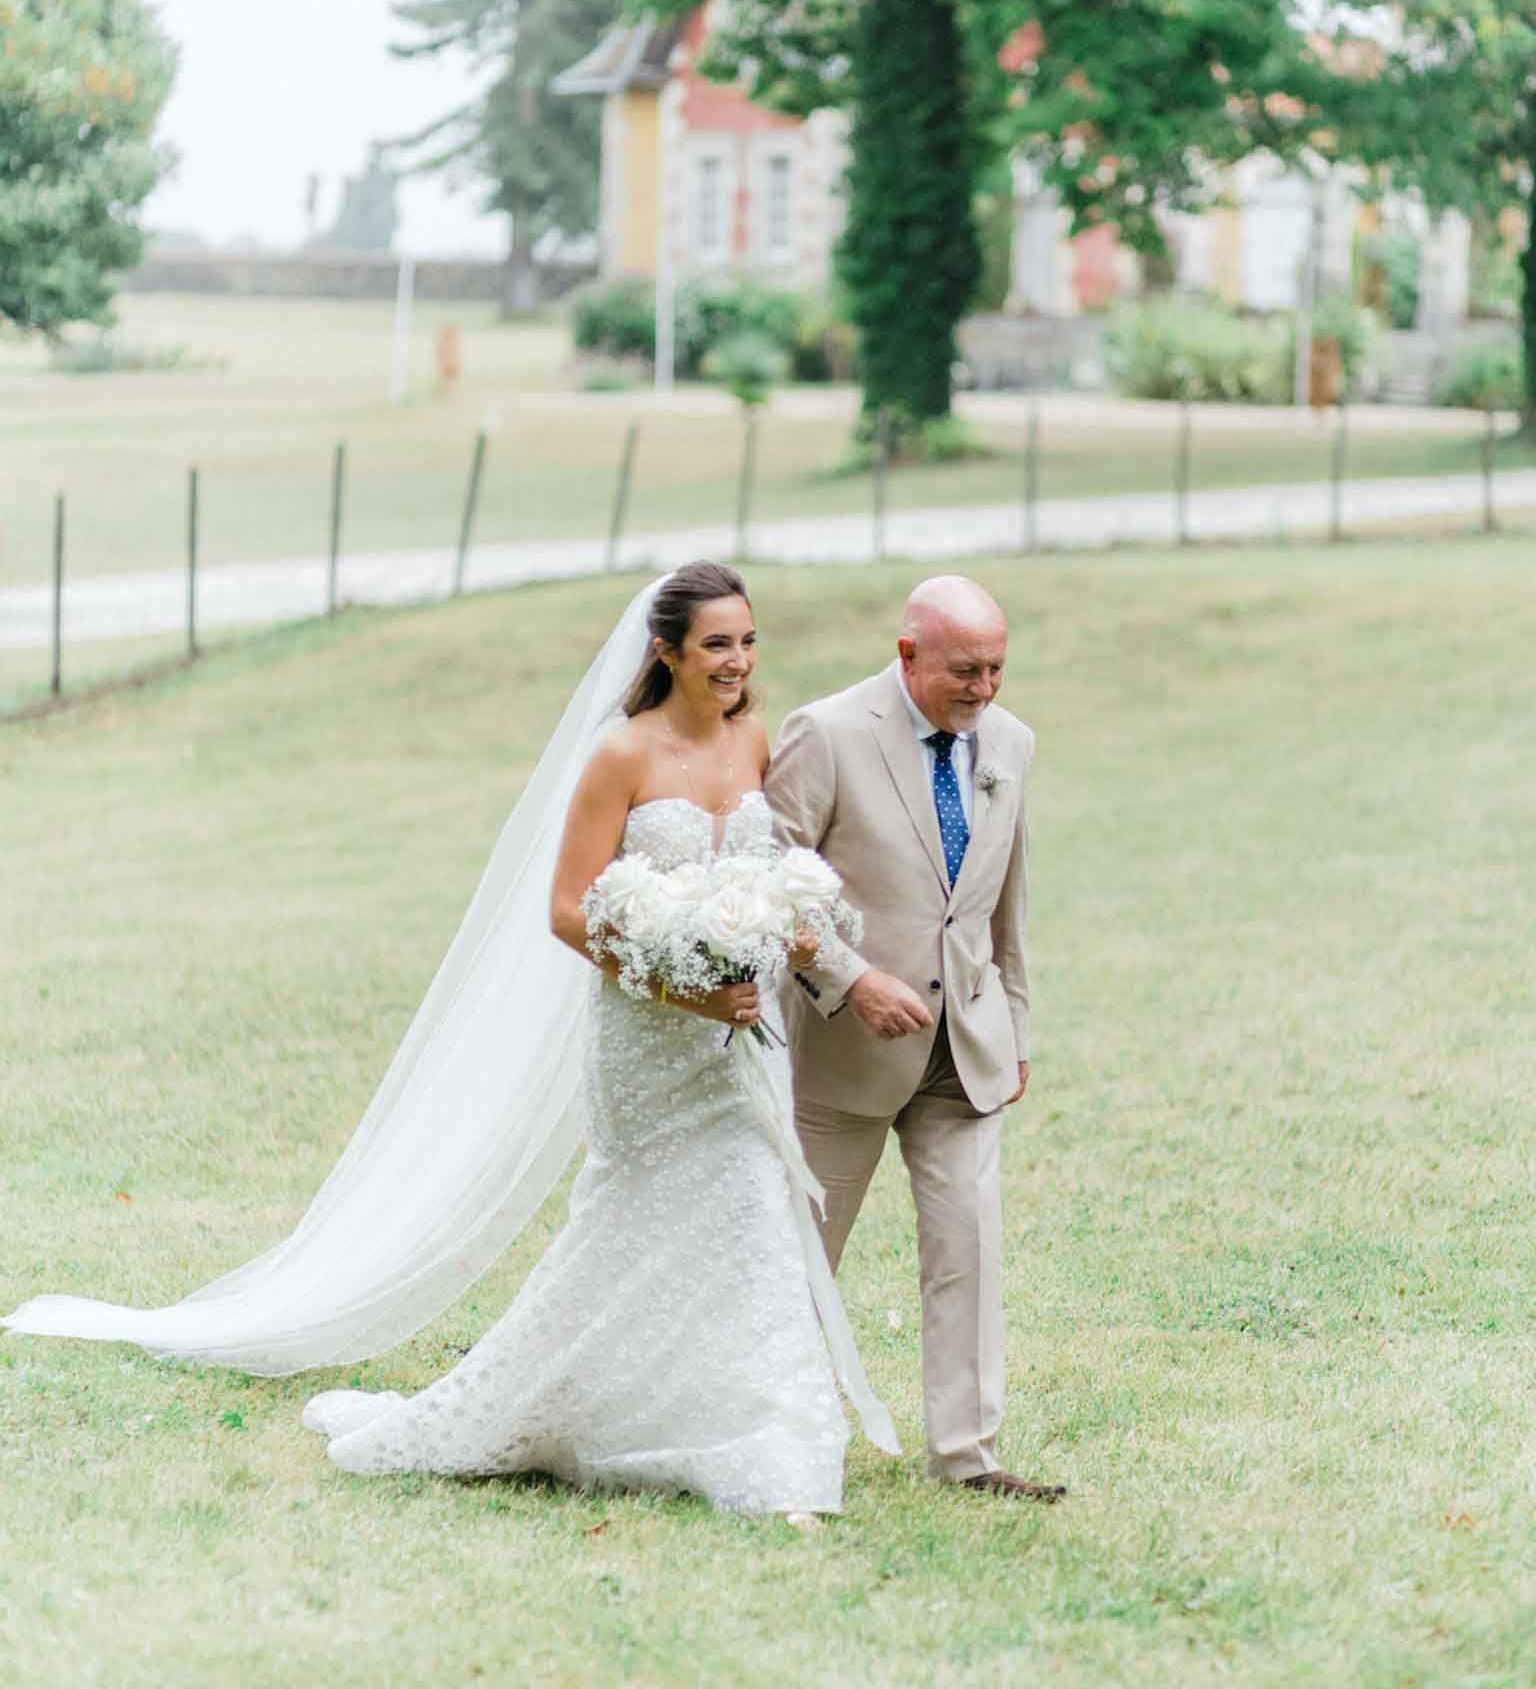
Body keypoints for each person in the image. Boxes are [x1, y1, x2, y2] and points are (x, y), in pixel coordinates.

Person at [5, 563, 896, 1516]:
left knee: (751, 1218)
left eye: (749, 641)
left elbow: (770, 882)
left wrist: (795, 964)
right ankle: (539, 1404)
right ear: (667, 651)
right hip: (648, 1040)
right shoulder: (620, 757)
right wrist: (686, 989)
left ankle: (762, 1437)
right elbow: (568, 912)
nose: (739, 661)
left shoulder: (754, 737)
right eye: (718, 643)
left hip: (742, 1043)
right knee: (627, 1223)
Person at [766, 574, 1066, 1503]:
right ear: (907, 655)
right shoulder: (826, 732)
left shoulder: (1009, 743)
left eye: (997, 670)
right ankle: (781, 1435)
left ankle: (968, 1456)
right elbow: (768, 882)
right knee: (804, 1252)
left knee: (968, 1248)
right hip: (841, 1043)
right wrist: (848, 982)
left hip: (962, 1044)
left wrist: (1011, 1024)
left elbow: (1005, 899)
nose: (983, 689)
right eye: (964, 670)